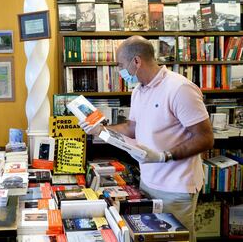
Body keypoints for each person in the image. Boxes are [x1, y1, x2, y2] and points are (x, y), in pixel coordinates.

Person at [80, 36, 214, 242]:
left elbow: (205, 138)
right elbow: (132, 127)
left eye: (120, 65)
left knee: (175, 239)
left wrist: (164, 156)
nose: (119, 71)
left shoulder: (179, 88)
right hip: (147, 182)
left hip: (176, 187)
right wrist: (100, 130)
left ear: (136, 61)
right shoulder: (138, 91)